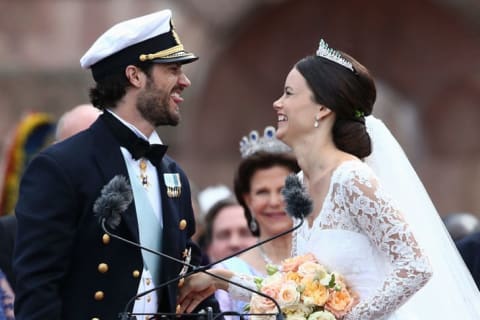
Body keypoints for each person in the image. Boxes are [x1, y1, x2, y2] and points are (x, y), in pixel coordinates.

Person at [177, 39, 480, 319]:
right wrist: (223, 280)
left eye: (289, 93)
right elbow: (291, 290)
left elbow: (415, 267)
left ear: (322, 108)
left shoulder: (351, 178)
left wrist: (347, 318)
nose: (277, 103)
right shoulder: (298, 183)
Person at [13, 9, 220, 320]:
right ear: (135, 75)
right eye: (173, 70)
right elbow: (38, 291)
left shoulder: (173, 175)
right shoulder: (60, 168)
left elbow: (184, 277)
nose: (185, 81)